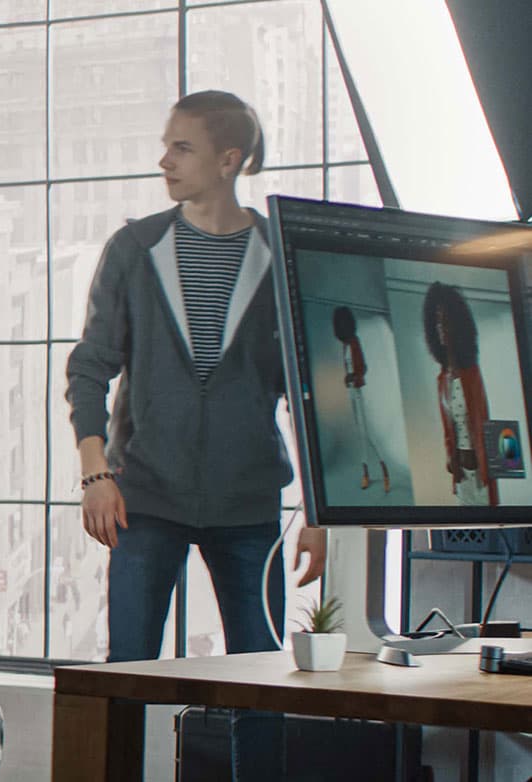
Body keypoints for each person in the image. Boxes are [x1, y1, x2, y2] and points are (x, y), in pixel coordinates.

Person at [67, 90, 327, 665]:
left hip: (249, 504)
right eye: (167, 147)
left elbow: (313, 393)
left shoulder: (279, 253)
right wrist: (95, 474)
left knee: (260, 679)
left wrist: (316, 511)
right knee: (128, 675)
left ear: (228, 160)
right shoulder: (136, 248)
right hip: (144, 499)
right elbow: (90, 366)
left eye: (182, 149)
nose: (165, 161)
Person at [424, 282, 498, 506]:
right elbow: (450, 428)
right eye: (436, 321)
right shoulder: (442, 379)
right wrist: (451, 458)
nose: (441, 327)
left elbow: (487, 424)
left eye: (445, 320)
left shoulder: (472, 374)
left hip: (480, 476)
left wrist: (492, 465)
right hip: (461, 477)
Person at [333, 306, 392, 493]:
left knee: (366, 435)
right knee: (360, 434)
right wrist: (346, 377)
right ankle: (370, 471)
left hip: (358, 391)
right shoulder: (345, 345)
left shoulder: (354, 342)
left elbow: (362, 367)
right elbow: (348, 368)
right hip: (351, 391)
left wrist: (354, 377)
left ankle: (381, 470)